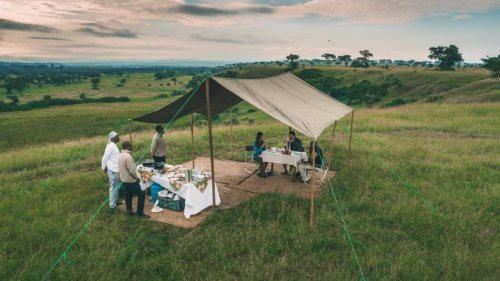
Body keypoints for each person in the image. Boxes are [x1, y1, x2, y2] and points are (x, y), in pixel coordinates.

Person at [118, 141, 149, 218]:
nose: (132, 148)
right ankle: (140, 213)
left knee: (128, 195)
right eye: (131, 146)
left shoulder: (120, 155)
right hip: (130, 181)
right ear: (128, 147)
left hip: (123, 179)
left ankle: (129, 211)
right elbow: (131, 170)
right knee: (141, 194)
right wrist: (136, 178)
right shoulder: (128, 157)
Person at [101, 131, 122, 209]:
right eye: (118, 136)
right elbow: (105, 157)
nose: (119, 138)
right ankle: (112, 205)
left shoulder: (114, 145)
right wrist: (104, 167)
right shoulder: (110, 147)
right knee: (113, 187)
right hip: (113, 170)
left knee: (116, 186)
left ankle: (115, 201)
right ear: (114, 138)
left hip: (116, 169)